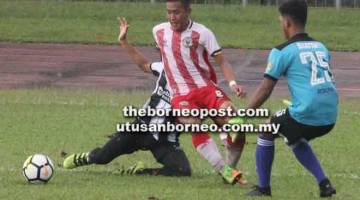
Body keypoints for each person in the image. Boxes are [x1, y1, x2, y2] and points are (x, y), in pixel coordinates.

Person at [62, 17, 191, 177]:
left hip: (165, 140)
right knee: (103, 157)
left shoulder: (195, 83)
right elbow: (144, 65)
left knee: (182, 171)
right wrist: (123, 41)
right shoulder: (164, 67)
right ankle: (87, 157)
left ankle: (140, 171)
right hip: (139, 129)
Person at [246, 0, 337, 197]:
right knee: (292, 133)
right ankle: (324, 185)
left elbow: (265, 89)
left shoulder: (281, 51)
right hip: (330, 114)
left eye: (280, 21)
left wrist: (244, 115)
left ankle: (263, 188)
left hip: (308, 112)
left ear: (286, 22)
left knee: (266, 129)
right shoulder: (321, 47)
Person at [151, 0, 247, 184]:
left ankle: (229, 166)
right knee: (193, 123)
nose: (172, 17)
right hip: (181, 95)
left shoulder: (203, 33)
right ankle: (224, 170)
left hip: (206, 89)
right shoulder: (158, 31)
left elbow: (222, 62)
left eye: (177, 12)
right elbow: (166, 56)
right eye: (169, 12)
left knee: (236, 125)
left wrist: (233, 83)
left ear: (188, 11)